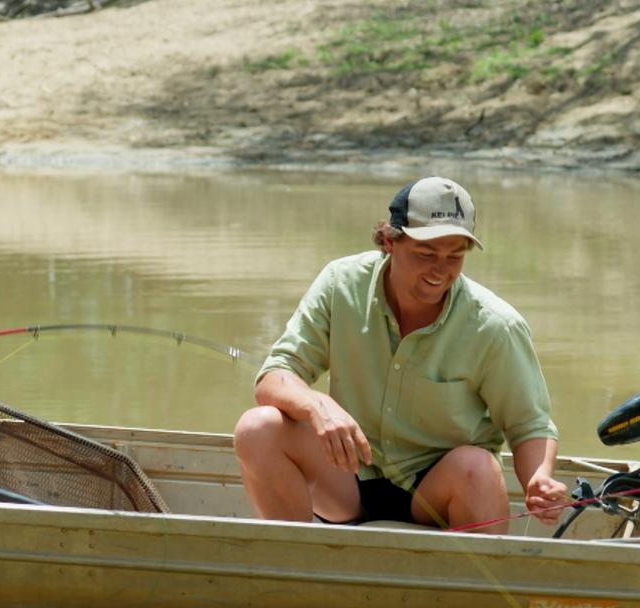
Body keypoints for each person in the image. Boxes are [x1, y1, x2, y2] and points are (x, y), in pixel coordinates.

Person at [233, 176, 568, 533]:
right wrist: (318, 406)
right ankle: (295, 570)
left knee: (478, 468)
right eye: (426, 254)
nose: (440, 271)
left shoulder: (497, 326)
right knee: (257, 428)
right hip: (348, 477)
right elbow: (277, 373)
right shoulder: (340, 284)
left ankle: (473, 589)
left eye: (454, 256)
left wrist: (540, 479)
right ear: (390, 241)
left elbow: (529, 424)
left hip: (440, 491)